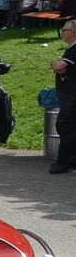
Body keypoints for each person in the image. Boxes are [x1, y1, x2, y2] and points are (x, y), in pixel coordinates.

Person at [49, 20, 76, 173]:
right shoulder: (71, 49)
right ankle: (71, 159)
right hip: (69, 94)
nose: (63, 32)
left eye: (65, 30)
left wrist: (55, 63)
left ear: (73, 32)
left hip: (71, 95)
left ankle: (63, 161)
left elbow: (59, 66)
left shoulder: (74, 49)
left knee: (65, 126)